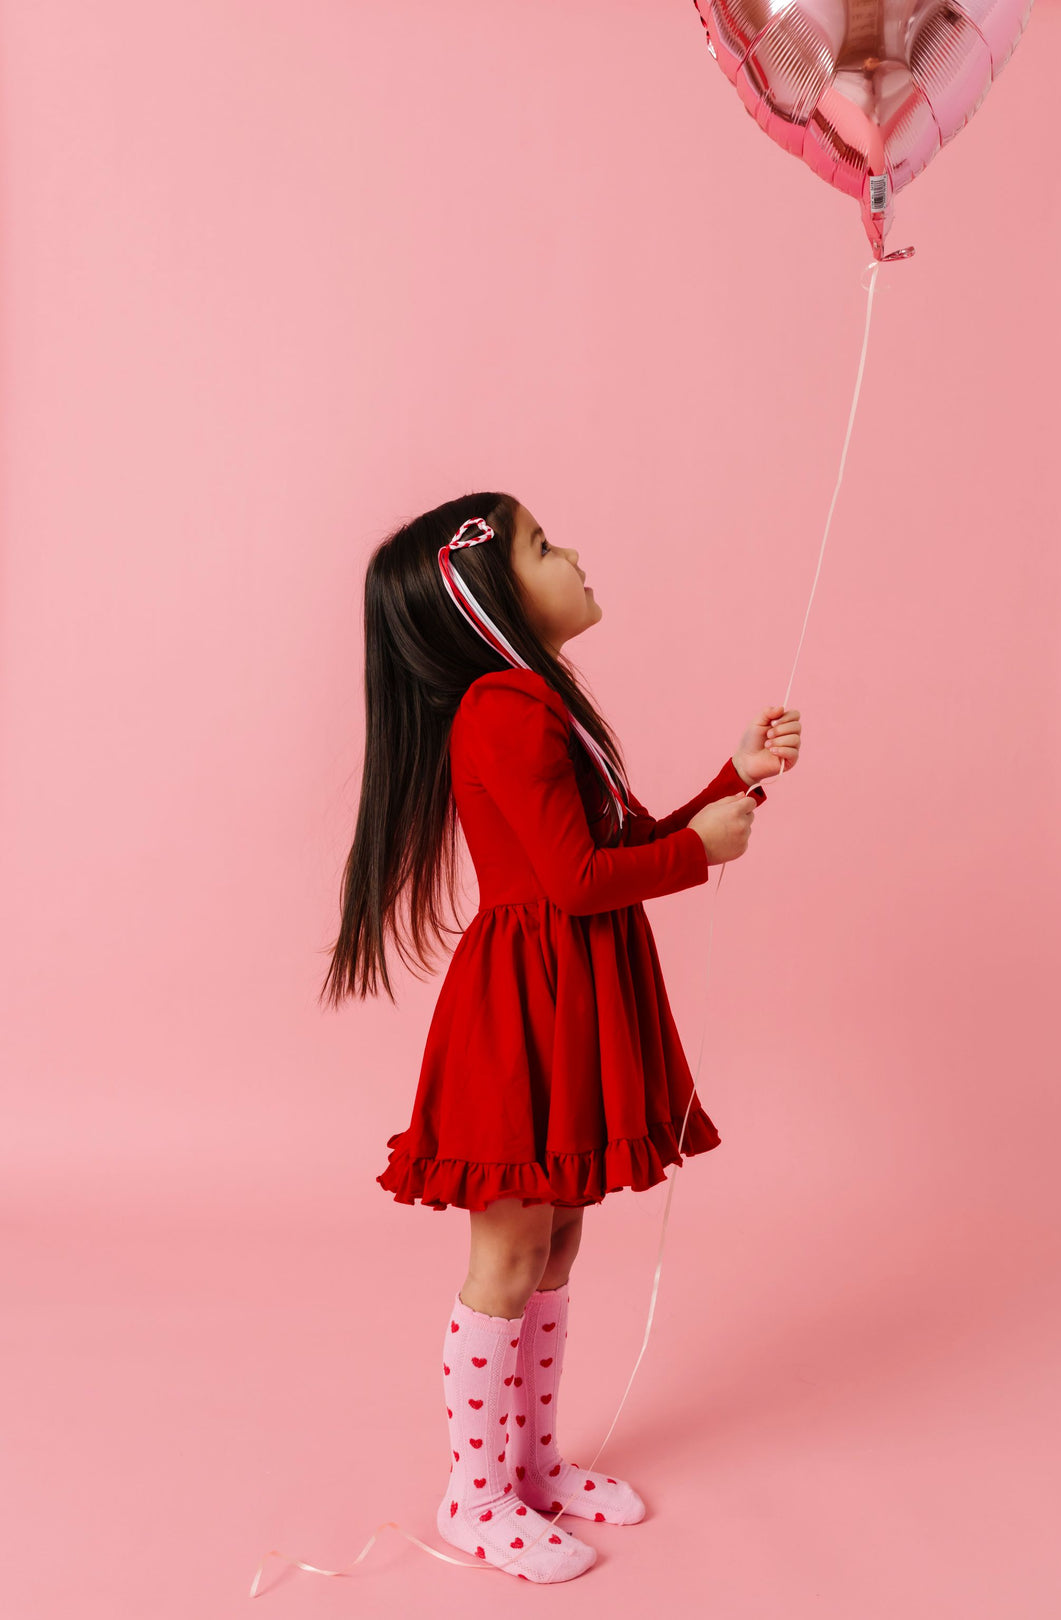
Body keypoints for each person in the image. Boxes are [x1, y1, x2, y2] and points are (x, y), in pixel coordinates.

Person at [320, 492, 800, 1582]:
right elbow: (577, 883)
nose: (572, 553)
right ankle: (475, 1491)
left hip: (567, 993)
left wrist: (733, 784)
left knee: (559, 1233)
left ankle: (530, 1466)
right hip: (527, 1006)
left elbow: (612, 842)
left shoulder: (536, 705)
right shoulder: (504, 708)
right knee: (510, 1246)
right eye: (543, 544)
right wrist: (704, 855)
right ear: (487, 589)